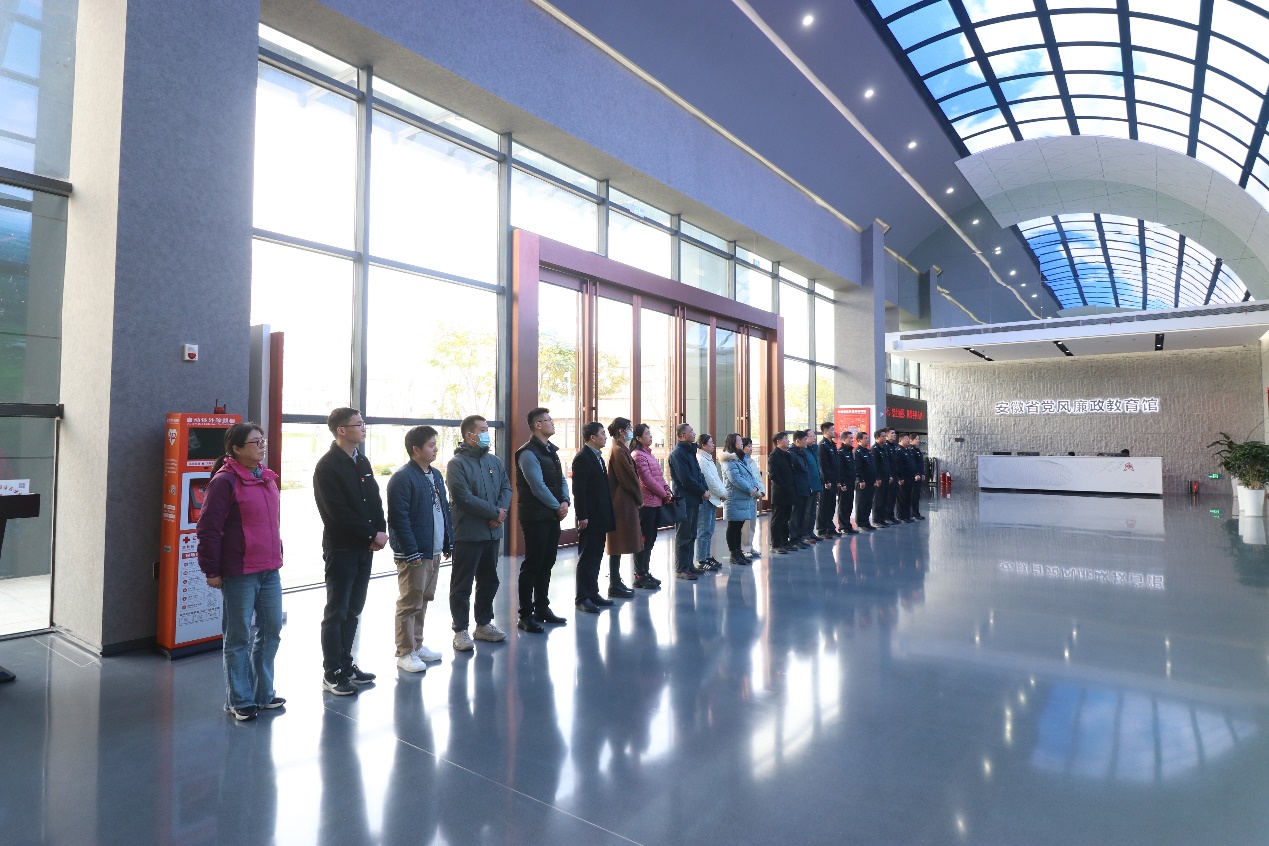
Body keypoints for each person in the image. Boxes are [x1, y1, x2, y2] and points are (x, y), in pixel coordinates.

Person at [198, 422, 284, 720]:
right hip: (240, 571)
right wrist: (211, 569)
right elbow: (209, 529)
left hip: (270, 568)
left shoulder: (266, 477)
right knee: (238, 638)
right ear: (235, 448)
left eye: (263, 441)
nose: (261, 446)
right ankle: (240, 699)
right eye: (255, 442)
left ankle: (263, 693)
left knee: (271, 631)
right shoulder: (224, 481)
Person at [313, 407, 385, 696]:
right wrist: (370, 533)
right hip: (342, 548)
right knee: (337, 611)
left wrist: (379, 531)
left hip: (364, 546)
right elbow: (336, 513)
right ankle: (332, 672)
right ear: (341, 430)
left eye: (363, 423)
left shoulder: (361, 460)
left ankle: (346, 663)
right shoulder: (327, 466)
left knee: (354, 609)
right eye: (358, 424)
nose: (363, 428)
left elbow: (374, 499)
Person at [386, 425, 452, 671]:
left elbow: (443, 510)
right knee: (409, 602)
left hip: (432, 549)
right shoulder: (402, 477)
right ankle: (405, 652)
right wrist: (411, 550)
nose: (435, 449)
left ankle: (417, 644)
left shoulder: (435, 475)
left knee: (423, 599)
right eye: (431, 445)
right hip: (414, 553)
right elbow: (399, 518)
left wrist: (447, 541)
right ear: (416, 449)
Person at [446, 415, 512, 651]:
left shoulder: (493, 460)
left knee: (489, 580)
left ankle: (483, 624)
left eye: (487, 429)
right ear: (469, 435)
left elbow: (506, 487)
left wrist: (500, 512)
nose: (487, 434)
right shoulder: (456, 464)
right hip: (468, 533)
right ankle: (460, 630)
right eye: (482, 430)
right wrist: (494, 512)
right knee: (462, 584)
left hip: (492, 533)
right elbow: (463, 497)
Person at [513, 408, 570, 634]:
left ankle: (542, 608)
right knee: (533, 564)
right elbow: (537, 486)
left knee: (547, 562)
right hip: (535, 516)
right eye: (548, 420)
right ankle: (525, 615)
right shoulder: (527, 453)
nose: (552, 423)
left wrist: (565, 501)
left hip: (551, 514)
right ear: (537, 425)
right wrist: (558, 506)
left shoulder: (550, 450)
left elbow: (561, 479)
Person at [572, 422, 616, 611]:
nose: (605, 437)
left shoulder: (597, 457)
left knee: (596, 556)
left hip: (600, 516)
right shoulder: (582, 458)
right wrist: (582, 516)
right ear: (592, 437)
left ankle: (593, 593)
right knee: (587, 559)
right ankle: (582, 598)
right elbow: (579, 490)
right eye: (602, 434)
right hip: (590, 517)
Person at [605, 417, 642, 599]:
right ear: (621, 430)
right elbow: (629, 478)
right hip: (621, 503)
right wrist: (639, 497)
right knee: (617, 544)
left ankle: (616, 581)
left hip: (623, 501)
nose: (631, 431)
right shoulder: (618, 450)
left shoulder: (620, 449)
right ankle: (614, 583)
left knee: (618, 544)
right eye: (629, 427)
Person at [669, 423, 710, 579]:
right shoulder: (678, 453)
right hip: (684, 499)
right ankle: (681, 568)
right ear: (682, 435)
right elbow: (685, 479)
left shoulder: (690, 451)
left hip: (694, 498)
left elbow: (698, 474)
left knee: (692, 533)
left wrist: (705, 488)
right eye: (690, 431)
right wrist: (702, 491)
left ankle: (689, 565)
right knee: (683, 535)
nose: (694, 433)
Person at [630, 424, 668, 589]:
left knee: (650, 539)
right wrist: (664, 494)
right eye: (647, 434)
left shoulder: (649, 454)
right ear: (638, 438)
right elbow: (647, 480)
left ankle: (645, 572)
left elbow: (659, 477)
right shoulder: (638, 455)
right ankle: (640, 575)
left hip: (655, 502)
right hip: (646, 504)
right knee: (644, 540)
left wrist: (667, 489)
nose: (650, 436)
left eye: (650, 433)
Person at [720, 433, 758, 566]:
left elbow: (750, 475)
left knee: (739, 525)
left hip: (743, 497)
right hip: (735, 498)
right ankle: (734, 553)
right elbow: (736, 479)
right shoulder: (728, 459)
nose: (741, 443)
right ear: (732, 443)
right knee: (734, 526)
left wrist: (755, 487)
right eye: (739, 441)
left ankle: (739, 552)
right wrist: (750, 489)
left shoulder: (741, 458)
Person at [695, 433, 728, 571]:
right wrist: (722, 493)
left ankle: (707, 556)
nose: (713, 445)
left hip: (712, 499)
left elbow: (716, 479)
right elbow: (709, 481)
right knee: (704, 531)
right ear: (703, 445)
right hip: (706, 499)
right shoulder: (701, 460)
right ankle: (701, 560)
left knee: (709, 530)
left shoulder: (708, 459)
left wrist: (722, 492)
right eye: (711, 442)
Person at [767, 431, 796, 553]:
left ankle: (785, 541)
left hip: (789, 492)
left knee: (786, 518)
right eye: (785, 439)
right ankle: (775, 544)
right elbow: (773, 475)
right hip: (780, 493)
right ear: (778, 441)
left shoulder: (787, 455)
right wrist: (784, 486)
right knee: (777, 518)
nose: (788, 441)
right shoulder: (774, 455)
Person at [739, 437, 765, 556]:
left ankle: (749, 546)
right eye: (748, 446)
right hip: (747, 495)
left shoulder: (751, 461)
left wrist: (761, 491)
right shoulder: (740, 461)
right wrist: (753, 491)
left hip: (754, 494)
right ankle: (744, 548)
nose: (751, 449)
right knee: (746, 524)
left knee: (752, 523)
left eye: (751, 446)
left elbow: (757, 478)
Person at [788, 431, 814, 547]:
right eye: (805, 439)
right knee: (795, 515)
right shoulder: (792, 454)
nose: (806, 441)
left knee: (802, 514)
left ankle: (799, 538)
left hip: (804, 488)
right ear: (797, 441)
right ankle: (794, 538)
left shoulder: (801, 453)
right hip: (797, 489)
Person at [817, 422, 840, 537]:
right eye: (831, 429)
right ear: (825, 431)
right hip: (827, 481)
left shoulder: (832, 445)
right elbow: (823, 465)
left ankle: (830, 527)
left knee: (831, 505)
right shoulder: (822, 445)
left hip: (834, 480)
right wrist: (826, 480)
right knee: (824, 505)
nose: (834, 431)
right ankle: (822, 529)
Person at [836, 430, 858, 534]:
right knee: (843, 505)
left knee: (849, 505)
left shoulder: (850, 452)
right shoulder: (841, 452)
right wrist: (842, 483)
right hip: (844, 483)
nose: (852, 440)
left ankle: (848, 525)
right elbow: (840, 469)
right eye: (850, 438)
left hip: (851, 482)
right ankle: (842, 526)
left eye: (852, 438)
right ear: (844, 439)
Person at [855, 432, 878, 531]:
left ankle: (866, 522)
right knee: (862, 503)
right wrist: (861, 480)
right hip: (863, 482)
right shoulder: (857, 452)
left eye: (868, 438)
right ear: (859, 440)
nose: (868, 440)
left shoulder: (868, 451)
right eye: (865, 438)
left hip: (870, 481)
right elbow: (858, 468)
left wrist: (875, 479)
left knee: (868, 502)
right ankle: (861, 523)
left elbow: (873, 466)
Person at [870, 429, 892, 528]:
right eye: (883, 436)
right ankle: (876, 520)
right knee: (878, 500)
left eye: (885, 436)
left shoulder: (884, 448)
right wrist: (877, 478)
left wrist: (889, 475)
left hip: (886, 477)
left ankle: (882, 519)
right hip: (880, 479)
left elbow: (887, 464)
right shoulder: (874, 449)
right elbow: (875, 465)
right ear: (877, 437)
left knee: (884, 499)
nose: (885, 438)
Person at [894, 432, 915, 523]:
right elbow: (898, 465)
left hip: (909, 477)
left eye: (908, 439)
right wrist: (900, 477)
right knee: (902, 497)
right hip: (903, 478)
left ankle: (907, 515)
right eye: (906, 439)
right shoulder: (899, 450)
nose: (908, 440)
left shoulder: (907, 450)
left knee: (907, 497)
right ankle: (901, 516)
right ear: (900, 440)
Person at [910, 433, 926, 520]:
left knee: (917, 495)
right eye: (916, 439)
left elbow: (920, 463)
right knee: (914, 495)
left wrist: (922, 473)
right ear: (911, 440)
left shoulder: (917, 450)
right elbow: (913, 464)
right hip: (915, 476)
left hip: (919, 474)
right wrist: (916, 474)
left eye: (918, 439)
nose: (918, 440)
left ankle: (916, 513)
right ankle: (913, 513)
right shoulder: (911, 450)